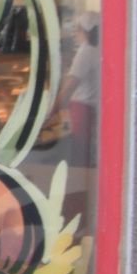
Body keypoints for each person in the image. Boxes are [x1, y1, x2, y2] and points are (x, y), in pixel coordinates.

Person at [50, 11, 100, 166]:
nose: (74, 33)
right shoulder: (99, 50)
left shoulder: (85, 52)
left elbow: (69, 88)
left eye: (76, 29)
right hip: (93, 112)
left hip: (82, 112)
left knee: (79, 158)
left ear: (83, 30)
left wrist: (49, 115)